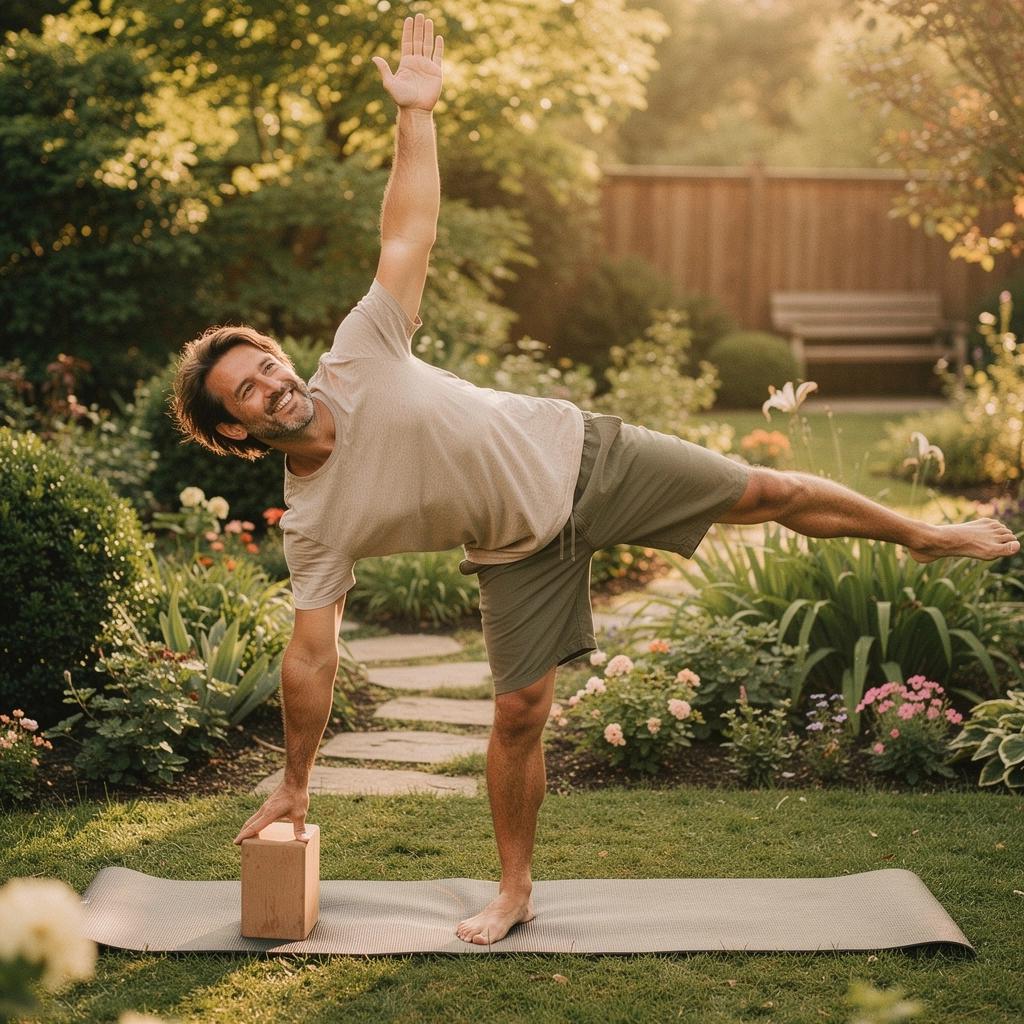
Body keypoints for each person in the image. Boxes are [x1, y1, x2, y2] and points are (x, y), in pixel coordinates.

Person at [170, 13, 1020, 946]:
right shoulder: (313, 520)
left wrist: (417, 117)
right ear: (234, 430)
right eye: (246, 392)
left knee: (766, 494)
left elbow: (408, 230)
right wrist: (296, 776)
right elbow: (312, 654)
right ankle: (515, 890)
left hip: (585, 457)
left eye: (266, 366)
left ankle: (924, 533)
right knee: (518, 711)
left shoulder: (359, 350)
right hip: (517, 549)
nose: (271, 385)